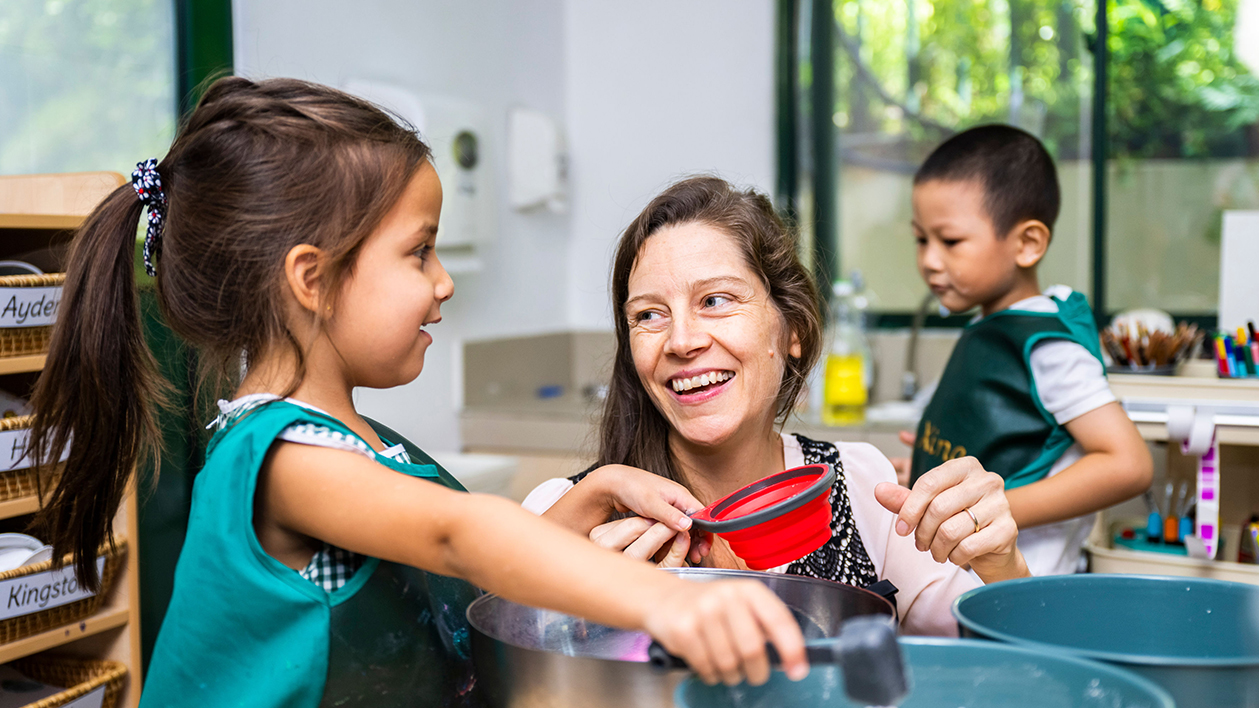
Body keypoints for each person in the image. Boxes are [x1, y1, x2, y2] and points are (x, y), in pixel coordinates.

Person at [27, 78, 816, 707]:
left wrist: (589, 501)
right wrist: (665, 602)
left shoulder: (366, 446)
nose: (442, 284)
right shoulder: (279, 457)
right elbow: (458, 535)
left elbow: (461, 579)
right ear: (312, 278)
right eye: (419, 252)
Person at [524, 176, 1032, 637]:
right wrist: (571, 621)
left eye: (716, 300)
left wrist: (1002, 563)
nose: (680, 340)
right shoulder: (568, 513)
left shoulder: (859, 485)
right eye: (649, 315)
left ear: (792, 329)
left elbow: (1005, 659)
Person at [898, 124, 1152, 576]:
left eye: (950, 241)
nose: (929, 261)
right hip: (961, 582)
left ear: (1027, 243)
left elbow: (1127, 464)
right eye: (921, 239)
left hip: (1022, 585)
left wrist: (982, 512)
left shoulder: (1048, 345)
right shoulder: (991, 324)